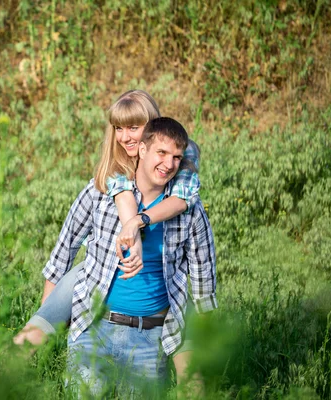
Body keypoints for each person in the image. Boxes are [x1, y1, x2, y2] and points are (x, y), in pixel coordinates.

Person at [13, 90, 201, 379]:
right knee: (38, 328)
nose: (125, 137)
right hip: (94, 277)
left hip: (157, 300)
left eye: (134, 128)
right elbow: (63, 252)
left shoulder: (179, 169)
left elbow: (187, 179)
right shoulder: (108, 181)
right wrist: (49, 317)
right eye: (118, 128)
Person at [44, 117, 216, 395]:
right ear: (143, 150)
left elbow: (203, 283)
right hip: (94, 328)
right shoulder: (101, 193)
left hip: (149, 338)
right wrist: (48, 326)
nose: (169, 164)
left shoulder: (189, 209)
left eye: (176, 157)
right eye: (161, 153)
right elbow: (62, 255)